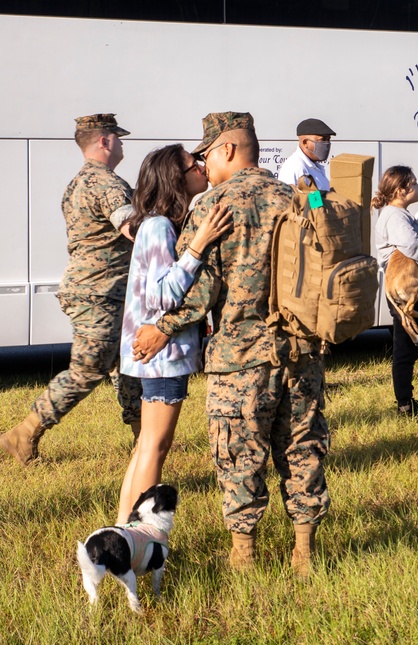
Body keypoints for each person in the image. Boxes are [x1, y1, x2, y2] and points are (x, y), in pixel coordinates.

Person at [131, 112, 330, 577]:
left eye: (205, 154)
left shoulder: (214, 207)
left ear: (228, 150)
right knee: (303, 449)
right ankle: (304, 552)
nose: (203, 164)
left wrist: (163, 326)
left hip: (240, 359)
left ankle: (244, 556)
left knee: (239, 456)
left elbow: (201, 292)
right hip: (301, 354)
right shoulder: (300, 196)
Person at [0, 114, 142, 465]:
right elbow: (130, 228)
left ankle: (146, 441)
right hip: (100, 291)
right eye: (118, 138)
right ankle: (24, 434)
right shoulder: (106, 183)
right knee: (89, 368)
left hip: (102, 290)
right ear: (105, 141)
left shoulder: (76, 184)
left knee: (126, 365)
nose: (122, 144)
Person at [113, 144, 232, 524]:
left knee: (145, 447)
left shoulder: (154, 224)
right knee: (155, 449)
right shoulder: (160, 226)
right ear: (174, 179)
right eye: (191, 164)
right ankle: (140, 534)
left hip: (155, 356)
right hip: (163, 356)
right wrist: (199, 245)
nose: (200, 166)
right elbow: (161, 295)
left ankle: (121, 529)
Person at [372, 166, 418, 416]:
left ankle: (406, 399)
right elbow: (414, 246)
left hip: (404, 284)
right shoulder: (395, 216)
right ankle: (405, 404)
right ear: (400, 190)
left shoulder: (401, 214)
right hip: (402, 286)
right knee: (405, 346)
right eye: (414, 184)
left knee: (409, 344)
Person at [277, 117, 336, 190]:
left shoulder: (315, 167)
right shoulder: (294, 167)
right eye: (322, 140)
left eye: (328, 139)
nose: (327, 143)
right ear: (305, 143)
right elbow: (287, 199)